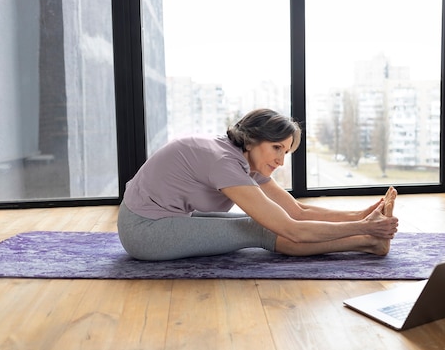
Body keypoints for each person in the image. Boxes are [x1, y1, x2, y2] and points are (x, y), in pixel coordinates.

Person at [117, 108, 399, 261]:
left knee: (267, 223)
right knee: (259, 228)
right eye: (276, 148)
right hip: (144, 231)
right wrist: (365, 228)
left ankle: (369, 239)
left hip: (167, 218)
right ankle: (368, 243)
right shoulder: (223, 163)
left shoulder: (245, 159)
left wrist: (363, 214)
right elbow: (291, 229)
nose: (280, 160)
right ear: (252, 139)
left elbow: (296, 212)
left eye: (285, 152)